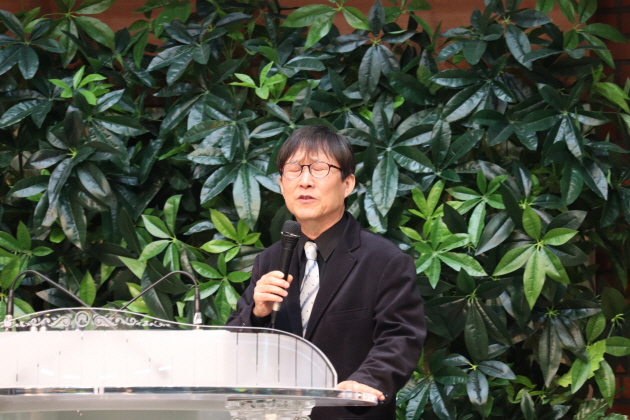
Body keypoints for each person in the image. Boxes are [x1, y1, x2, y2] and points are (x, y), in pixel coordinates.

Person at [226, 125, 426, 419]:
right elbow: (232, 343)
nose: (305, 181)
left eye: (319, 169)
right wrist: (257, 313)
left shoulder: (385, 261)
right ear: (281, 184)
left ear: (348, 183)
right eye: (293, 170)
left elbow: (401, 337)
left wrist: (366, 382)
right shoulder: (269, 261)